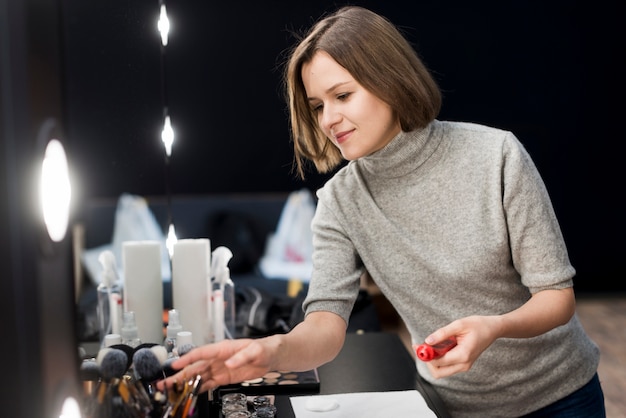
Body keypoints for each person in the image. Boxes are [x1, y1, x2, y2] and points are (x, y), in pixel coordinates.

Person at [158, 6, 605, 417]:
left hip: (560, 398)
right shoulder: (339, 201)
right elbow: (326, 327)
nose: (329, 119)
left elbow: (556, 298)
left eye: (343, 95)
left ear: (389, 79)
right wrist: (271, 352)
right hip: (452, 407)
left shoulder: (496, 156)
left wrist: (494, 327)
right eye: (317, 106)